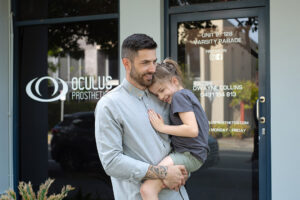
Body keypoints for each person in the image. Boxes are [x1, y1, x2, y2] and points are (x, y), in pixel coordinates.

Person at [95, 34, 189, 200]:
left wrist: (184, 170)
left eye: (154, 61)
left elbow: (182, 142)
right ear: (127, 63)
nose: (153, 68)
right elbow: (111, 162)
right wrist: (163, 172)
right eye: (145, 63)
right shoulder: (109, 105)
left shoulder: (163, 97)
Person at [140, 59, 210, 200]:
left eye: (161, 90)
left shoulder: (179, 96)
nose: (161, 97)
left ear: (174, 81)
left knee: (147, 189)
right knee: (157, 185)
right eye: (156, 95)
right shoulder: (187, 95)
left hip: (189, 155)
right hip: (193, 155)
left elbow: (192, 130)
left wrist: (162, 127)